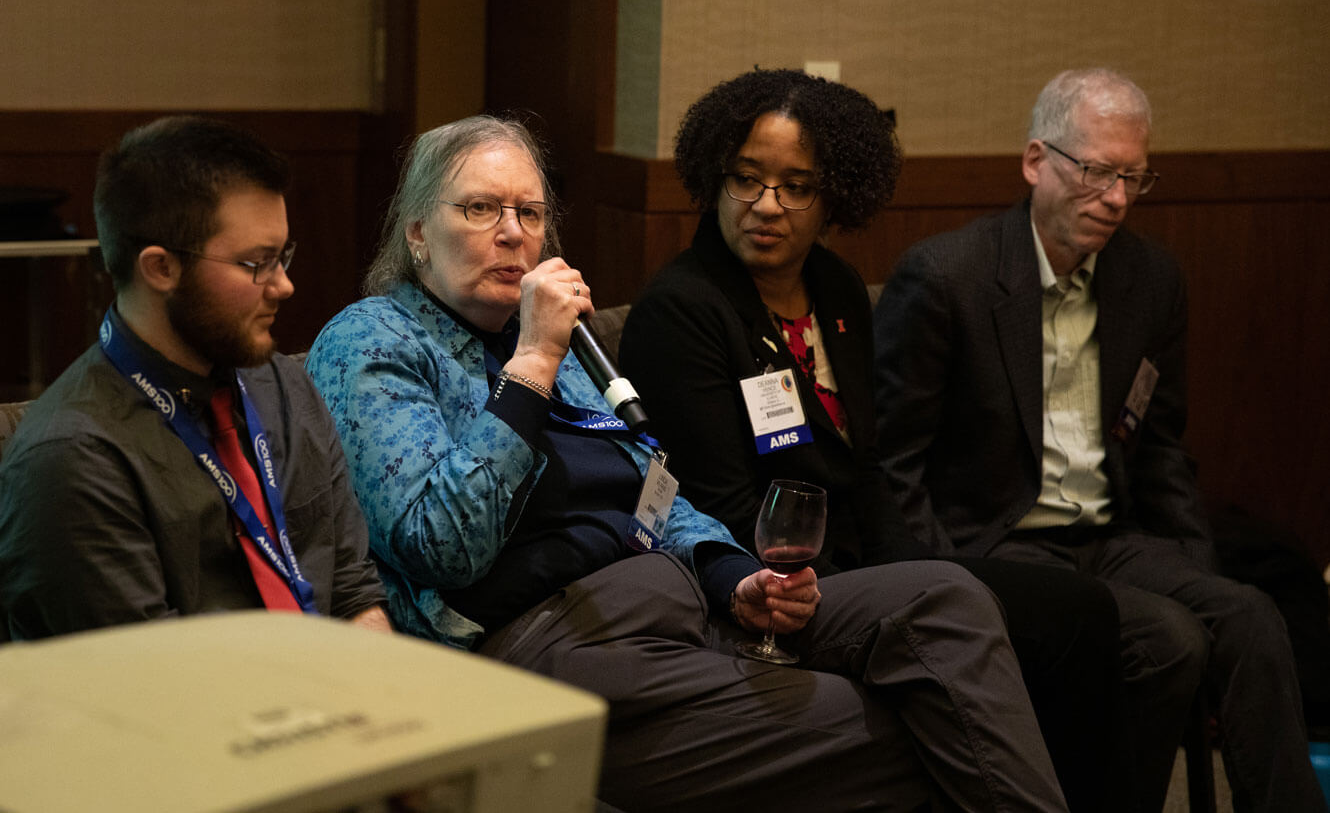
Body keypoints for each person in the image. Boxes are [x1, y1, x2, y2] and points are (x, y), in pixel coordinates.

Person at [304, 115, 1071, 813]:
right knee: (884, 723)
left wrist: (733, 576)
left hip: (678, 609)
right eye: (480, 209)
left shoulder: (560, 345)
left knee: (944, 599)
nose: (512, 233)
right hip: (535, 647)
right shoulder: (376, 341)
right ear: (414, 234)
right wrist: (533, 361)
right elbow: (443, 543)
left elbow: (655, 485)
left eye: (530, 213)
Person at [618, 68, 1137, 813]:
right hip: (779, 585)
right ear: (715, 177)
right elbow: (722, 501)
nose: (767, 205)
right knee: (1059, 614)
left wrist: (920, 568)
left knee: (1081, 609)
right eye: (745, 179)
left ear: (835, 197)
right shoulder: (684, 309)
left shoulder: (833, 289)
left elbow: (870, 466)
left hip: (868, 560)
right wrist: (886, 588)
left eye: (796, 186)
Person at [872, 68, 1324, 813]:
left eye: (1134, 178)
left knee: (1248, 613)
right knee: (1169, 639)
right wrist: (940, 586)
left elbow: (1163, 447)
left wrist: (1192, 562)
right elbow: (895, 464)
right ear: (1035, 162)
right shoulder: (949, 275)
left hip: (1111, 534)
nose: (1115, 199)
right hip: (999, 535)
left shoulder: (1149, 278)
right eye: (1096, 173)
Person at [0, 116, 388, 638]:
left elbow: (352, 591)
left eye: (283, 256)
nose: (285, 285)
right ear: (161, 269)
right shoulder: (70, 459)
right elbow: (142, 689)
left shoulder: (281, 384)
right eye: (258, 263)